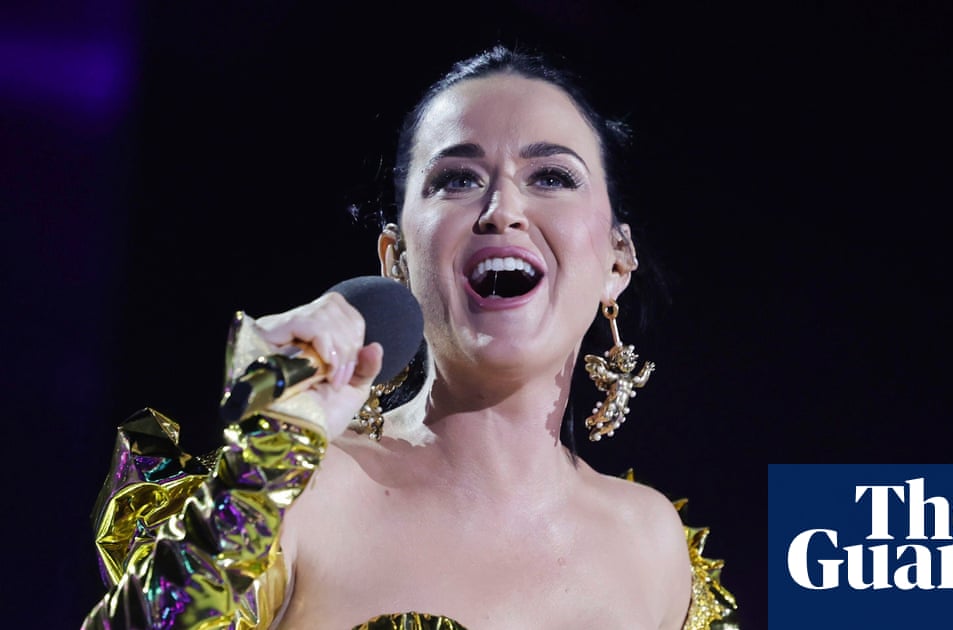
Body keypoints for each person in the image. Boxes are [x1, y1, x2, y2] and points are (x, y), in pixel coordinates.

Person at [82, 45, 737, 629]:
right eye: (457, 179)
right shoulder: (298, 495)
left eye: (551, 177)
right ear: (396, 260)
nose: (502, 210)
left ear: (617, 262)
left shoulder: (652, 544)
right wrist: (266, 456)